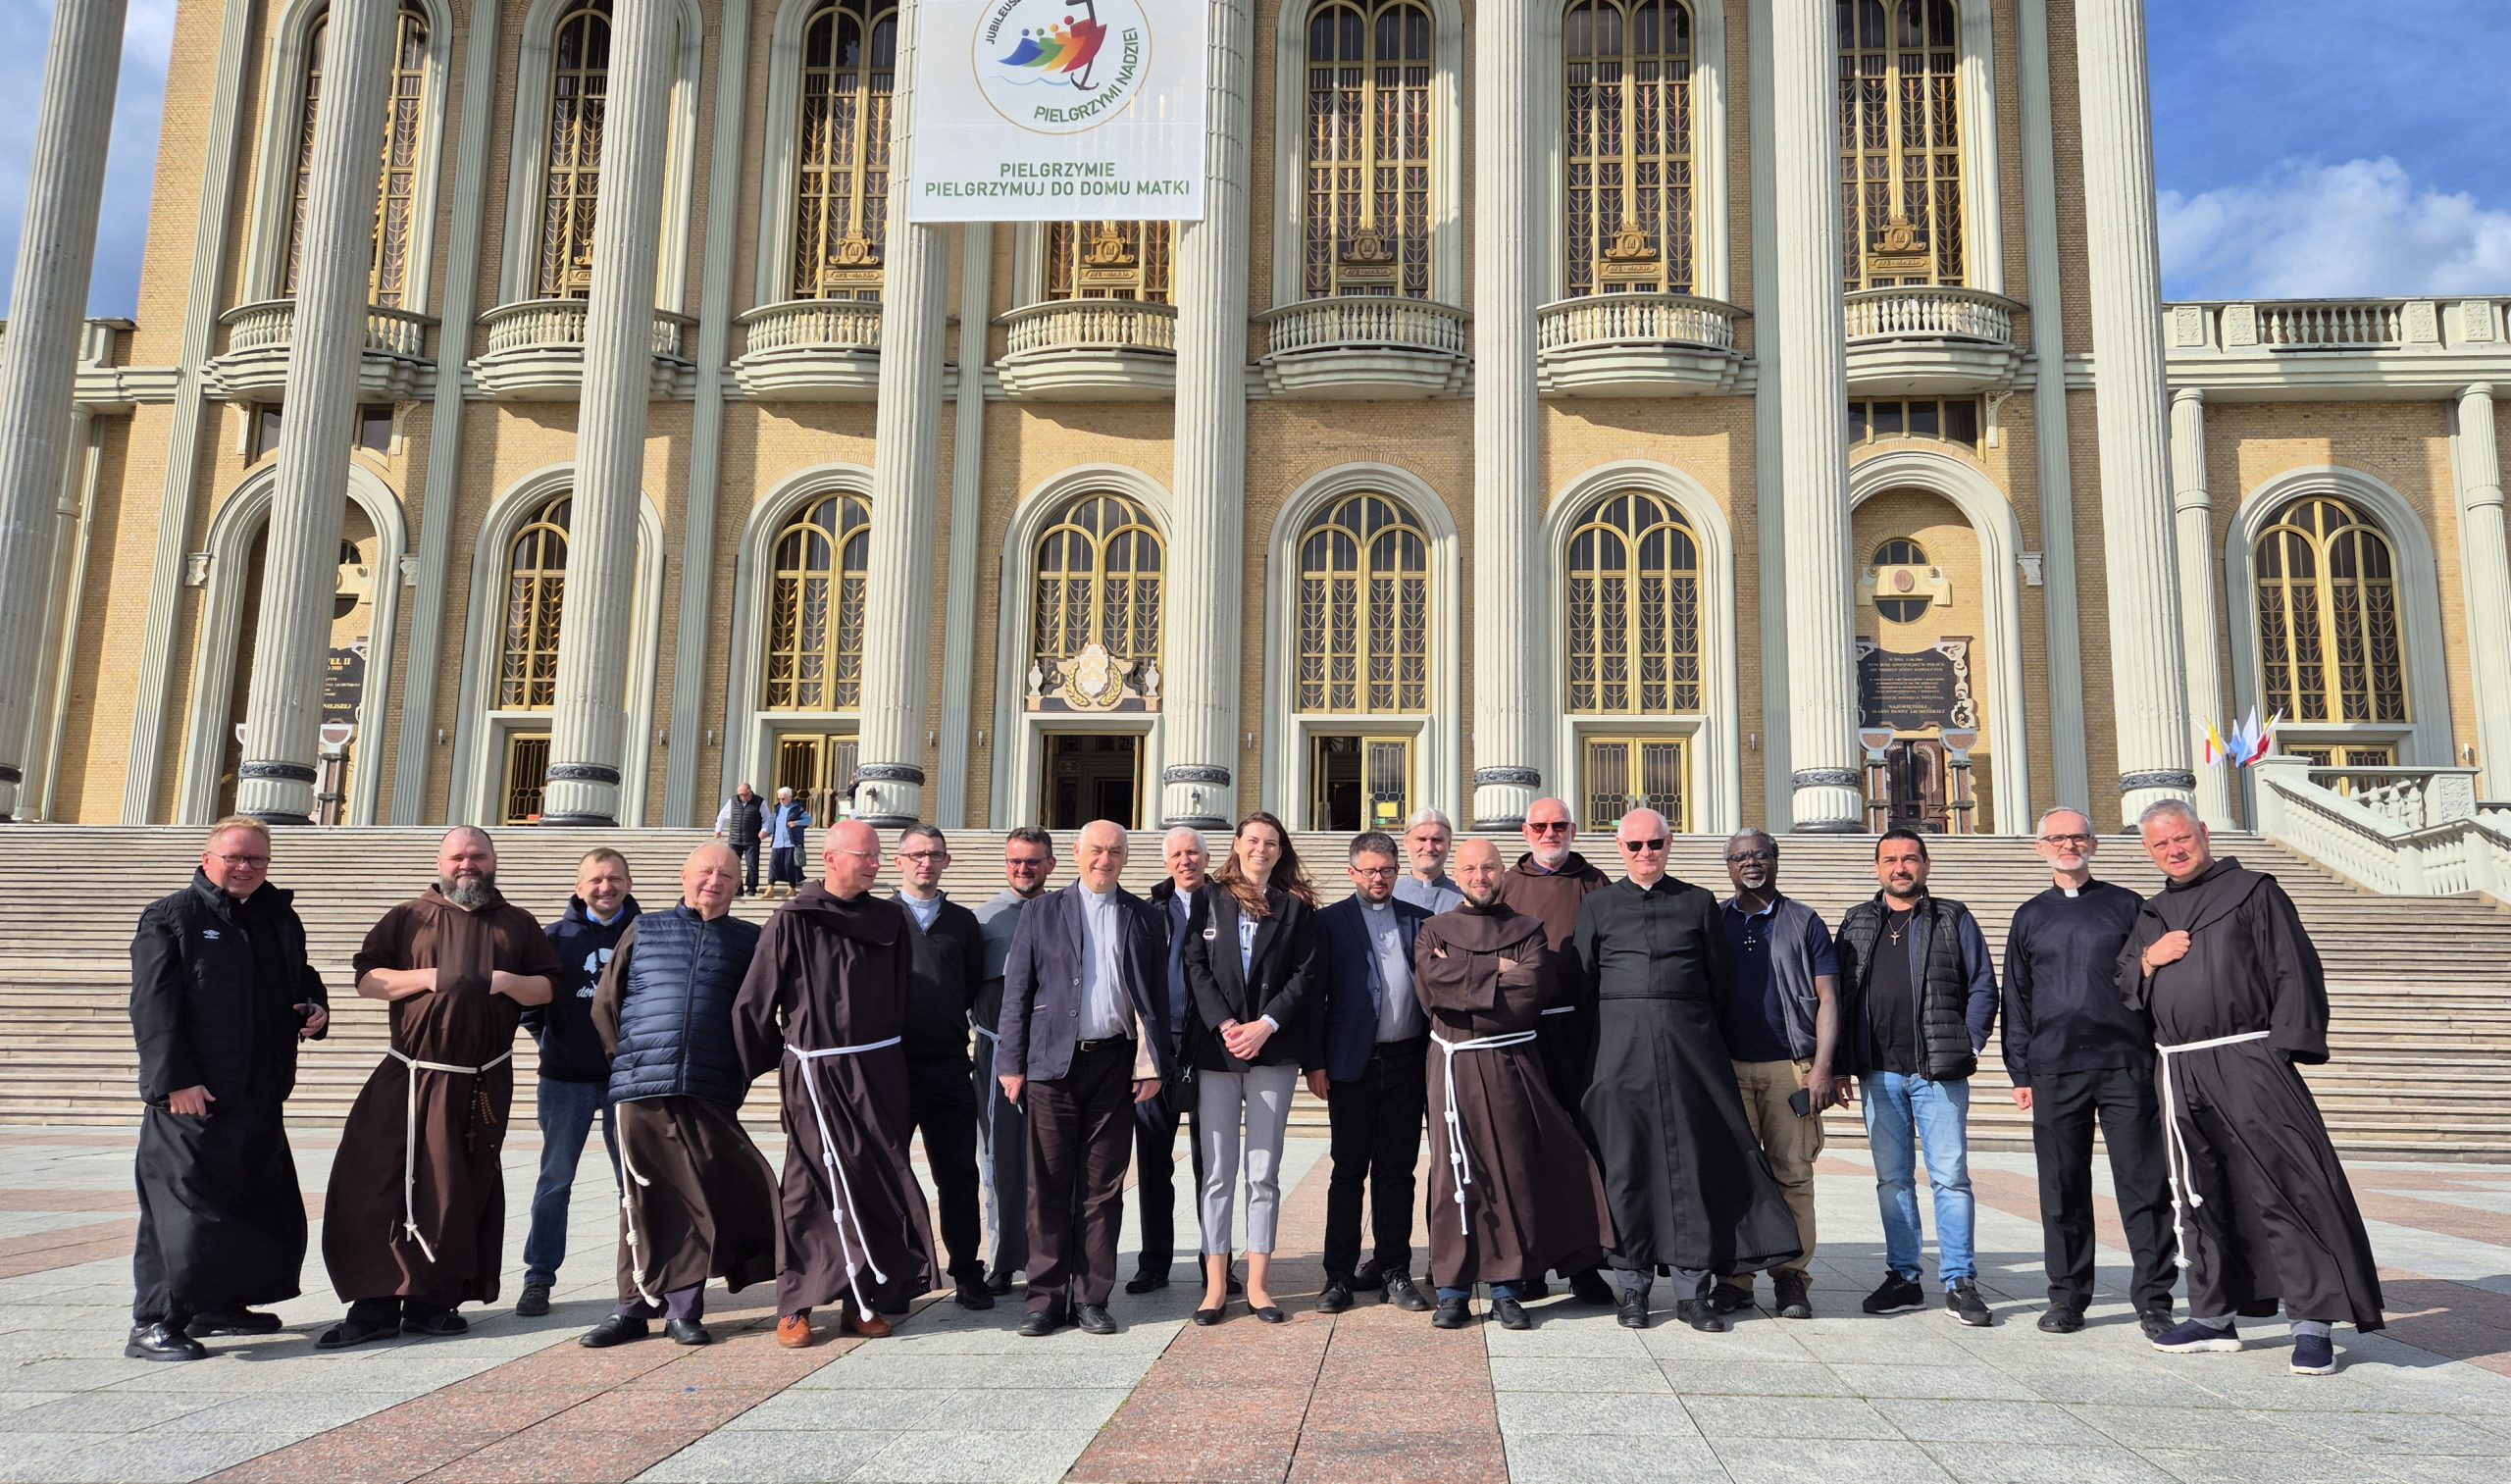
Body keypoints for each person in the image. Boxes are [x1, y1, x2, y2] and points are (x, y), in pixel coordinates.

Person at [2121, 800, 2383, 1376]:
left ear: (2203, 833)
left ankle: (2312, 1324)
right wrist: (2148, 962)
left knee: (2287, 1186)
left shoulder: (2254, 892)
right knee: (2198, 1193)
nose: (2174, 851)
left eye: (2182, 838)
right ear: (2148, 850)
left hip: (2249, 1059)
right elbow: (2122, 983)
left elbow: (2294, 968)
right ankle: (2213, 1316)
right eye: (2161, 844)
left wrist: (2278, 1051)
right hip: (2179, 1067)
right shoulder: (2153, 913)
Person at [319, 828, 558, 1349]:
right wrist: (430, 977)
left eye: (478, 856)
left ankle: (434, 1302)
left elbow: (546, 987)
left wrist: (504, 982)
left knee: (457, 1187)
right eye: (458, 857)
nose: (467, 864)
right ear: (440, 862)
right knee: (379, 1183)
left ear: (493, 861)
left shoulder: (517, 923)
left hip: (481, 1080)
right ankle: (374, 1305)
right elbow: (368, 980)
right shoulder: (408, 916)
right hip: (409, 1074)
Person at [1573, 810, 1802, 1332]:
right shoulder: (1598, 905)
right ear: (1620, 847)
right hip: (1619, 1055)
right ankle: (1633, 1289)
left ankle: (1692, 1292)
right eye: (1635, 845)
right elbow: (1583, 982)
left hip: (1689, 1053)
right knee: (1627, 1167)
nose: (1645, 853)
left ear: (1670, 843)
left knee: (1689, 1167)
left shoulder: (1697, 902)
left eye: (1654, 843)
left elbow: (1718, 980)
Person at [125, 818, 329, 1360]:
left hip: (259, 1092)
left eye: (257, 859)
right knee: (183, 1212)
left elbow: (300, 975)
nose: (245, 868)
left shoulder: (278, 915)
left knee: (249, 1204)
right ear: (207, 859)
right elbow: (153, 1005)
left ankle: (218, 1305)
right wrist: (175, 1080)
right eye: (234, 857)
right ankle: (153, 1322)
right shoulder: (172, 916)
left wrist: (315, 1007)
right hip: (194, 1098)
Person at [736, 819, 939, 1346]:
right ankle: (796, 1305)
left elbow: (900, 994)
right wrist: (782, 1061)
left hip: (877, 1070)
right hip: (816, 1072)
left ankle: (861, 1300)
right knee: (808, 1184)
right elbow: (755, 1003)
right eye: (864, 855)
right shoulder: (792, 918)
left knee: (873, 1183)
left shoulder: (890, 919)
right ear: (829, 858)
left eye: (876, 856)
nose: (874, 864)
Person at [579, 844, 780, 1348]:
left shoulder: (749, 940)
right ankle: (631, 1308)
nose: (714, 880)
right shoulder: (644, 929)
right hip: (642, 1086)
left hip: (710, 1087)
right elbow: (606, 1005)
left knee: (697, 1194)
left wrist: (740, 1071)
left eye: (726, 874)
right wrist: (629, 1060)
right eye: (705, 871)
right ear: (683, 877)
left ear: (738, 884)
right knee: (640, 1195)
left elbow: (760, 1015)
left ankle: (682, 1309)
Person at [1415, 837, 1613, 1330]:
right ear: (1456, 875)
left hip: (1509, 1061)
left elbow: (1528, 994)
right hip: (1453, 1067)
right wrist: (1495, 969)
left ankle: (1507, 1289)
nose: (1479, 877)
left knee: (1510, 1170)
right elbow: (1432, 989)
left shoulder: (1528, 930)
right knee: (1454, 1172)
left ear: (1503, 873)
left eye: (1488, 868)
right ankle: (1453, 1289)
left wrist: (1463, 979)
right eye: (1469, 869)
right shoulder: (1433, 929)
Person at [2004, 808, 2178, 1339]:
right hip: (2054, 1065)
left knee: (2144, 1184)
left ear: (2094, 845)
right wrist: (2019, 1070)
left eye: (2077, 837)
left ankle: (2154, 1300)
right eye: (2057, 838)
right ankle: (2067, 1297)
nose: (2068, 846)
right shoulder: (2029, 915)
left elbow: (2156, 978)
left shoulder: (2129, 905)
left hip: (2125, 1061)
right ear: (2040, 848)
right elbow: (2017, 996)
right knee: (2062, 1188)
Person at [998, 820, 1172, 1337]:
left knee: (1103, 1188)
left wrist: (1153, 1064)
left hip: (1115, 1064)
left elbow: (1156, 998)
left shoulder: (1144, 916)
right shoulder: (1041, 912)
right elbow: (1017, 992)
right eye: (1096, 849)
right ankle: (1045, 1300)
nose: (1104, 859)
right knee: (1048, 1185)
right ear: (1076, 853)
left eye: (1115, 851)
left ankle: (1092, 1297)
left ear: (1125, 857)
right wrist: (1011, 1063)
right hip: (1052, 1065)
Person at [1835, 828, 1999, 1328]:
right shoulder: (1858, 921)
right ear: (1877, 868)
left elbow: (1982, 984)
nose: (1900, 867)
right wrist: (1839, 1062)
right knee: (1892, 1180)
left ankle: (1959, 1281)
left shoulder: (1952, 916)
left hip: (1938, 1073)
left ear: (1925, 865)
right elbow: (1839, 996)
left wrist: (1970, 1043)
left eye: (1909, 858)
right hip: (1879, 1073)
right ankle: (1904, 1277)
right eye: (1890, 859)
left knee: (1950, 1178)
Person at [1182, 812, 1320, 1325]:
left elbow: (1305, 975)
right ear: (1237, 844)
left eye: (1272, 843)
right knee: (1218, 1173)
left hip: (1273, 1051)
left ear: (1281, 852)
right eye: (1253, 840)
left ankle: (1260, 1285)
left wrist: (1265, 1024)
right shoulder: (1207, 898)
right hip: (1217, 1052)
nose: (1262, 849)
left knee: (1263, 1171)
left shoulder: (1295, 907)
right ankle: (1217, 1286)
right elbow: (1194, 965)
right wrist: (1225, 1025)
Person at [1711, 829, 1846, 1321]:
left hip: (1790, 1068)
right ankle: (1735, 1279)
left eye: (1759, 855)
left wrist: (1823, 1069)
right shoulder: (1715, 920)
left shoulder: (1803, 921)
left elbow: (1829, 998)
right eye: (1739, 857)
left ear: (1775, 858)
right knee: (1734, 1177)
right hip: (1727, 1069)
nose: (1750, 863)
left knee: (1793, 1174)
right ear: (1728, 866)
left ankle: (1791, 1276)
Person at [1307, 832, 1434, 1316]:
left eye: (1386, 870)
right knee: (1348, 1172)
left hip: (1407, 1062)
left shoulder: (1419, 921)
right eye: (1369, 870)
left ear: (1398, 871)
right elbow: (1315, 998)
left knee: (1398, 1170)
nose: (1378, 878)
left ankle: (1393, 1269)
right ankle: (1338, 1276)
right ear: (1352, 872)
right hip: (1351, 1066)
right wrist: (1316, 1063)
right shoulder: (1328, 923)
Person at [1497, 794, 1614, 1306]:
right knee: (1525, 1147)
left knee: (1583, 1145)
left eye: (1560, 826)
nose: (1550, 834)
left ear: (1574, 830)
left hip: (1579, 1033)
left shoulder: (1596, 883)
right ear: (1525, 832)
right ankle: (1530, 1263)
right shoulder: (1506, 884)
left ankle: (1585, 1263)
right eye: (1541, 826)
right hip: (1520, 1033)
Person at [515, 847, 638, 1317]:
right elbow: (531, 1005)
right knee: (555, 1180)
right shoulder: (553, 938)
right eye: (596, 879)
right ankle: (539, 1276)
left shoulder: (646, 933)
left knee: (634, 1182)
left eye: (615, 878)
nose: (606, 887)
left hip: (628, 1079)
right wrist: (554, 1042)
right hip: (565, 1079)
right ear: (579, 886)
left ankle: (641, 1273)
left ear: (628, 883)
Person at [893, 823, 991, 1308]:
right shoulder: (879, 918)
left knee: (958, 1174)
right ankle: (897, 1273)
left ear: (946, 861)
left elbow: (970, 984)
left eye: (934, 854)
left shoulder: (962, 922)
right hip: (891, 1066)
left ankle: (967, 1270)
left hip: (949, 1065)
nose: (925, 863)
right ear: (899, 861)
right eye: (916, 855)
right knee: (890, 1174)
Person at [972, 827, 1056, 1293]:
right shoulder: (982, 921)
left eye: (1032, 861)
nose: (1023, 869)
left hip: (1053, 1056)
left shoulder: (1066, 913)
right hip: (996, 1055)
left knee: (1053, 1161)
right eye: (1015, 861)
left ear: (1050, 865)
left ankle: (1051, 1257)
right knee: (999, 1158)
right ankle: (1002, 1258)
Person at [1132, 826, 1211, 1295]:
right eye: (1178, 854)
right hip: (1158, 1049)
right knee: (1153, 1158)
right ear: (1166, 862)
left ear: (1207, 858)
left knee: (1212, 1162)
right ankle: (1154, 1262)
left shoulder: (1223, 905)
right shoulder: (1149, 912)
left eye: (1193, 853)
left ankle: (1215, 1263)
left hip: (1211, 1047)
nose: (1186, 861)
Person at [1396, 808, 1464, 914]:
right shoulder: (1390, 896)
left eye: (1437, 840)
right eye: (1421, 839)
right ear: (1406, 842)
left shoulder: (1465, 899)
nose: (1429, 848)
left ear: (1449, 844)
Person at [713, 783, 767, 896]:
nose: (742, 797)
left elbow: (768, 818)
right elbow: (722, 816)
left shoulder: (759, 802)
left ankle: (751, 888)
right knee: (733, 865)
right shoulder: (733, 801)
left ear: (750, 792)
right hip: (735, 839)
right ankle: (737, 888)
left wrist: (764, 830)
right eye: (740, 794)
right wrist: (718, 829)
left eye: (745, 794)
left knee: (752, 864)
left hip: (751, 839)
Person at [766, 787, 812, 897]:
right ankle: (770, 889)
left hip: (791, 842)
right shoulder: (778, 808)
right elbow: (773, 823)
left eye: (783, 799)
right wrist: (766, 832)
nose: (781, 801)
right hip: (777, 843)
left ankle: (792, 888)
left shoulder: (797, 808)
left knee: (789, 866)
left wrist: (796, 823)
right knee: (773, 865)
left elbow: (809, 820)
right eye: (779, 799)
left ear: (790, 797)